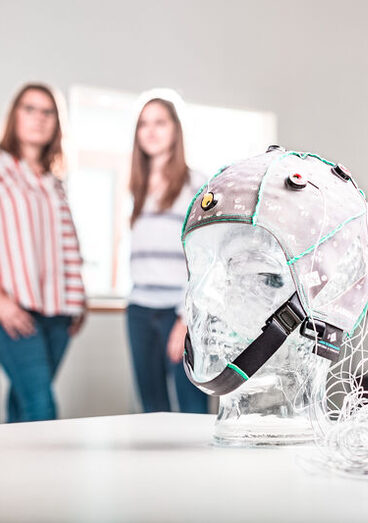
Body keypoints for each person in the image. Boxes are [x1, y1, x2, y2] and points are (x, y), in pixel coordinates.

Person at [0, 83, 86, 423]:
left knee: (22, 404)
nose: (38, 119)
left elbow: (64, 243)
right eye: (29, 109)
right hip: (12, 307)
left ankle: (9, 477)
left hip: (59, 309)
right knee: (41, 407)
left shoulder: (54, 182)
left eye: (47, 112)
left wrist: (79, 299)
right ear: (14, 115)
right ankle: (47, 479)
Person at [126, 92, 208, 414]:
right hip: (140, 311)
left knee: (191, 408)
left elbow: (205, 259)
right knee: (151, 409)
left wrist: (185, 318)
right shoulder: (137, 188)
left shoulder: (197, 185)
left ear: (175, 129)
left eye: (159, 122)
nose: (151, 131)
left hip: (180, 314)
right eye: (143, 124)